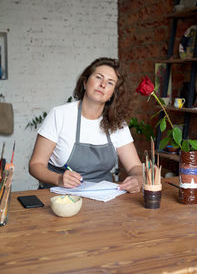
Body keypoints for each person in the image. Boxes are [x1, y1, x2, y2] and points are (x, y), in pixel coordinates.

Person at [29, 57, 143, 193]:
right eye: (99, 78)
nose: (103, 85)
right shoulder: (59, 115)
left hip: (103, 198)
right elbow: (36, 165)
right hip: (60, 198)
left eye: (110, 83)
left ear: (113, 94)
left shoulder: (118, 124)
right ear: (85, 82)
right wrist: (58, 179)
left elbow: (135, 166)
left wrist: (138, 178)